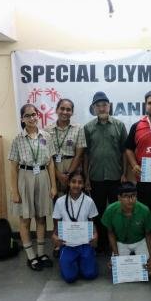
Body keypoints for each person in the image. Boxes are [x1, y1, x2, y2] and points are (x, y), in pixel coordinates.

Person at [9, 104, 57, 271]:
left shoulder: (47, 136)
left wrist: (53, 186)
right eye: (27, 115)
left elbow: (50, 163)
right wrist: (14, 191)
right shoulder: (18, 139)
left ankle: (42, 253)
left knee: (41, 217)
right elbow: (13, 168)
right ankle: (31, 256)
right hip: (25, 177)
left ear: (38, 116)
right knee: (25, 219)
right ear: (22, 119)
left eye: (34, 114)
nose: (32, 118)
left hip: (43, 177)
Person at [83, 92, 128, 252]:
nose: (101, 108)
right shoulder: (88, 128)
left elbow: (124, 151)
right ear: (94, 108)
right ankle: (101, 244)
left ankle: (118, 243)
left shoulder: (119, 125)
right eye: (98, 105)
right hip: (96, 178)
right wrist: (86, 177)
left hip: (116, 176)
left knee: (117, 210)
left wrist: (124, 174)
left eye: (104, 105)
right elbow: (86, 154)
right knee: (99, 211)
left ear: (109, 106)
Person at [51, 170, 99, 283]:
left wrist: (96, 235)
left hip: (84, 243)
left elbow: (92, 222)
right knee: (69, 277)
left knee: (90, 274)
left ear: (83, 185)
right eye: (73, 181)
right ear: (69, 183)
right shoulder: (60, 201)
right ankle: (72, 261)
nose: (76, 185)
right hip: (68, 244)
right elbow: (58, 224)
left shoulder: (89, 201)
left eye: (80, 182)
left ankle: (84, 259)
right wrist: (54, 236)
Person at [101, 182, 151, 277]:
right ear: (119, 198)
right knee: (115, 271)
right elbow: (110, 232)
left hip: (139, 241)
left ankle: (137, 259)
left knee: (150, 273)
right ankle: (129, 259)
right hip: (121, 242)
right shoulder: (110, 210)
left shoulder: (144, 210)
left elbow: (148, 234)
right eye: (126, 196)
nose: (130, 200)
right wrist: (116, 255)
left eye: (133, 196)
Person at [45, 98, 86, 197]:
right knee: (54, 197)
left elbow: (79, 155)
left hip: (72, 165)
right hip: (53, 166)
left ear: (72, 112)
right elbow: (46, 156)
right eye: (62, 108)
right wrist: (58, 174)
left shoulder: (79, 129)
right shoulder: (47, 129)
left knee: (72, 197)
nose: (65, 112)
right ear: (56, 110)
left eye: (68, 110)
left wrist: (68, 175)